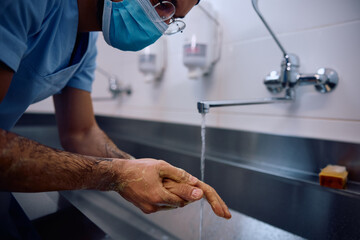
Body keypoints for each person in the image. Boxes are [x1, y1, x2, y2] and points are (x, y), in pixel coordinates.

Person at [0, 0, 232, 223]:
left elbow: (81, 133)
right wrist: (115, 174)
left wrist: (138, 169)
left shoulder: (86, 45)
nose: (162, 23)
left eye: (173, 19)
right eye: (165, 4)